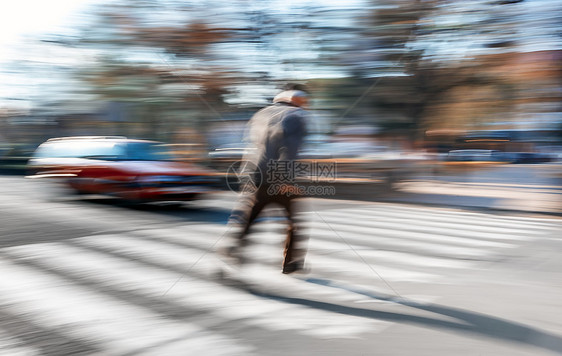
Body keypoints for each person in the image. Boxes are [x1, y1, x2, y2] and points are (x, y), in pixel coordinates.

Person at [219, 84, 309, 274]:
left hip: (256, 175)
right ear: (297, 103)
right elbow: (290, 149)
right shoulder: (296, 116)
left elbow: (252, 146)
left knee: (251, 216)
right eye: (304, 103)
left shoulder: (260, 114)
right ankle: (290, 262)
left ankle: (232, 249)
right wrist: (285, 179)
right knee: (294, 222)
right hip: (279, 177)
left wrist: (248, 176)